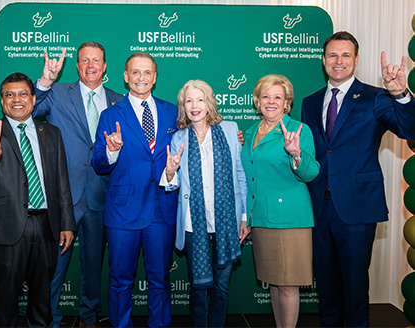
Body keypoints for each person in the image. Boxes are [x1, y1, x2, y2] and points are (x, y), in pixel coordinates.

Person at [301, 31, 415, 327]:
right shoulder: (309, 102)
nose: (339, 61)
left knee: (354, 288)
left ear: (356, 59)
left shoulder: (375, 96)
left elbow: (410, 132)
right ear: (323, 60)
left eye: (346, 55)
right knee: (326, 288)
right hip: (319, 208)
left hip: (357, 207)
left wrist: (401, 95)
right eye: (332, 55)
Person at [0, 72, 76, 327]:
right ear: (2, 102)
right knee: (6, 301)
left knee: (42, 299)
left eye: (23, 94)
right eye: (9, 95)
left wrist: (67, 222)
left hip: (47, 226)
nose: (17, 99)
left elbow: (61, 181)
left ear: (34, 99)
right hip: (6, 228)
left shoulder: (51, 133)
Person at [33, 41, 123, 328]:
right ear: (77, 65)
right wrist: (46, 79)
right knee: (55, 266)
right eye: (85, 60)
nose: (90, 66)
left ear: (105, 66)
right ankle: (49, 318)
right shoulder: (58, 93)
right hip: (64, 195)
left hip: (101, 195)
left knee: (93, 264)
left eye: (96, 60)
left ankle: (88, 316)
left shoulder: (118, 100)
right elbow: (30, 110)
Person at [91, 52, 178, 328]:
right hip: (123, 213)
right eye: (135, 72)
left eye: (147, 72)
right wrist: (112, 151)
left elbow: (197, 135)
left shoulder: (171, 112)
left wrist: (232, 133)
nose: (142, 78)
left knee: (160, 280)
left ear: (155, 77)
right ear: (126, 77)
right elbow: (98, 163)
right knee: (119, 280)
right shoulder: (110, 115)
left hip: (161, 209)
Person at [160, 79, 248, 327]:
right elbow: (173, 183)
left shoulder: (231, 130)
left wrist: (244, 217)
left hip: (227, 221)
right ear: (183, 106)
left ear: (209, 102)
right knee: (197, 287)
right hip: (193, 223)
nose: (194, 105)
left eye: (199, 99)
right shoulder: (179, 139)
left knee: (221, 287)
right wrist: (169, 172)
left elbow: (240, 174)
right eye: (188, 101)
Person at [242, 74, 320, 328]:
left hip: (290, 220)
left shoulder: (298, 130)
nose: (271, 102)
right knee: (274, 285)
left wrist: (296, 153)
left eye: (278, 97)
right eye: (265, 96)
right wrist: (247, 217)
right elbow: (249, 178)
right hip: (262, 218)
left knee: (287, 287)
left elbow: (311, 173)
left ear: (287, 103)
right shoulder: (250, 132)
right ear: (257, 101)